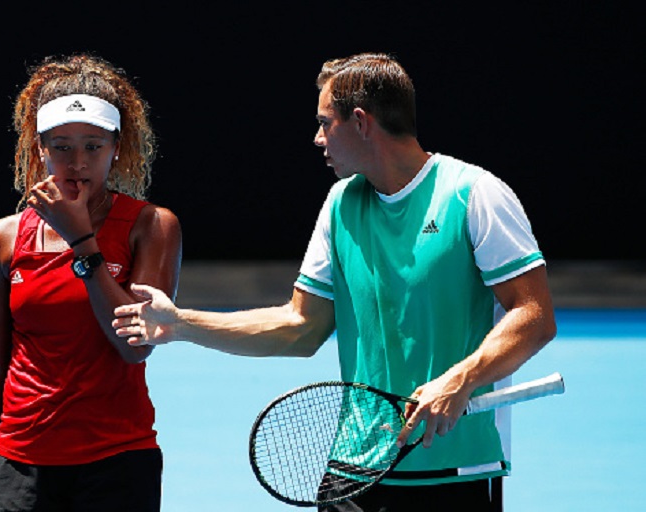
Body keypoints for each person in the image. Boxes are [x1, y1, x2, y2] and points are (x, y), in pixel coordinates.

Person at [112, 52, 556, 511]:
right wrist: (181, 324)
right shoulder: (341, 204)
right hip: (354, 472)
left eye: (326, 122)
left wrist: (460, 379)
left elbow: (534, 316)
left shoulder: (475, 194)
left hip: (453, 469)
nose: (317, 137)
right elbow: (300, 326)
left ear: (361, 122)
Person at [0, 53, 182, 512]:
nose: (77, 163)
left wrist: (82, 241)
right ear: (39, 147)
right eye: (61, 146)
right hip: (19, 465)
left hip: (119, 461)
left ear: (116, 148)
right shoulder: (2, 239)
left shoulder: (152, 226)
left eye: (93, 146)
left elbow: (134, 345)